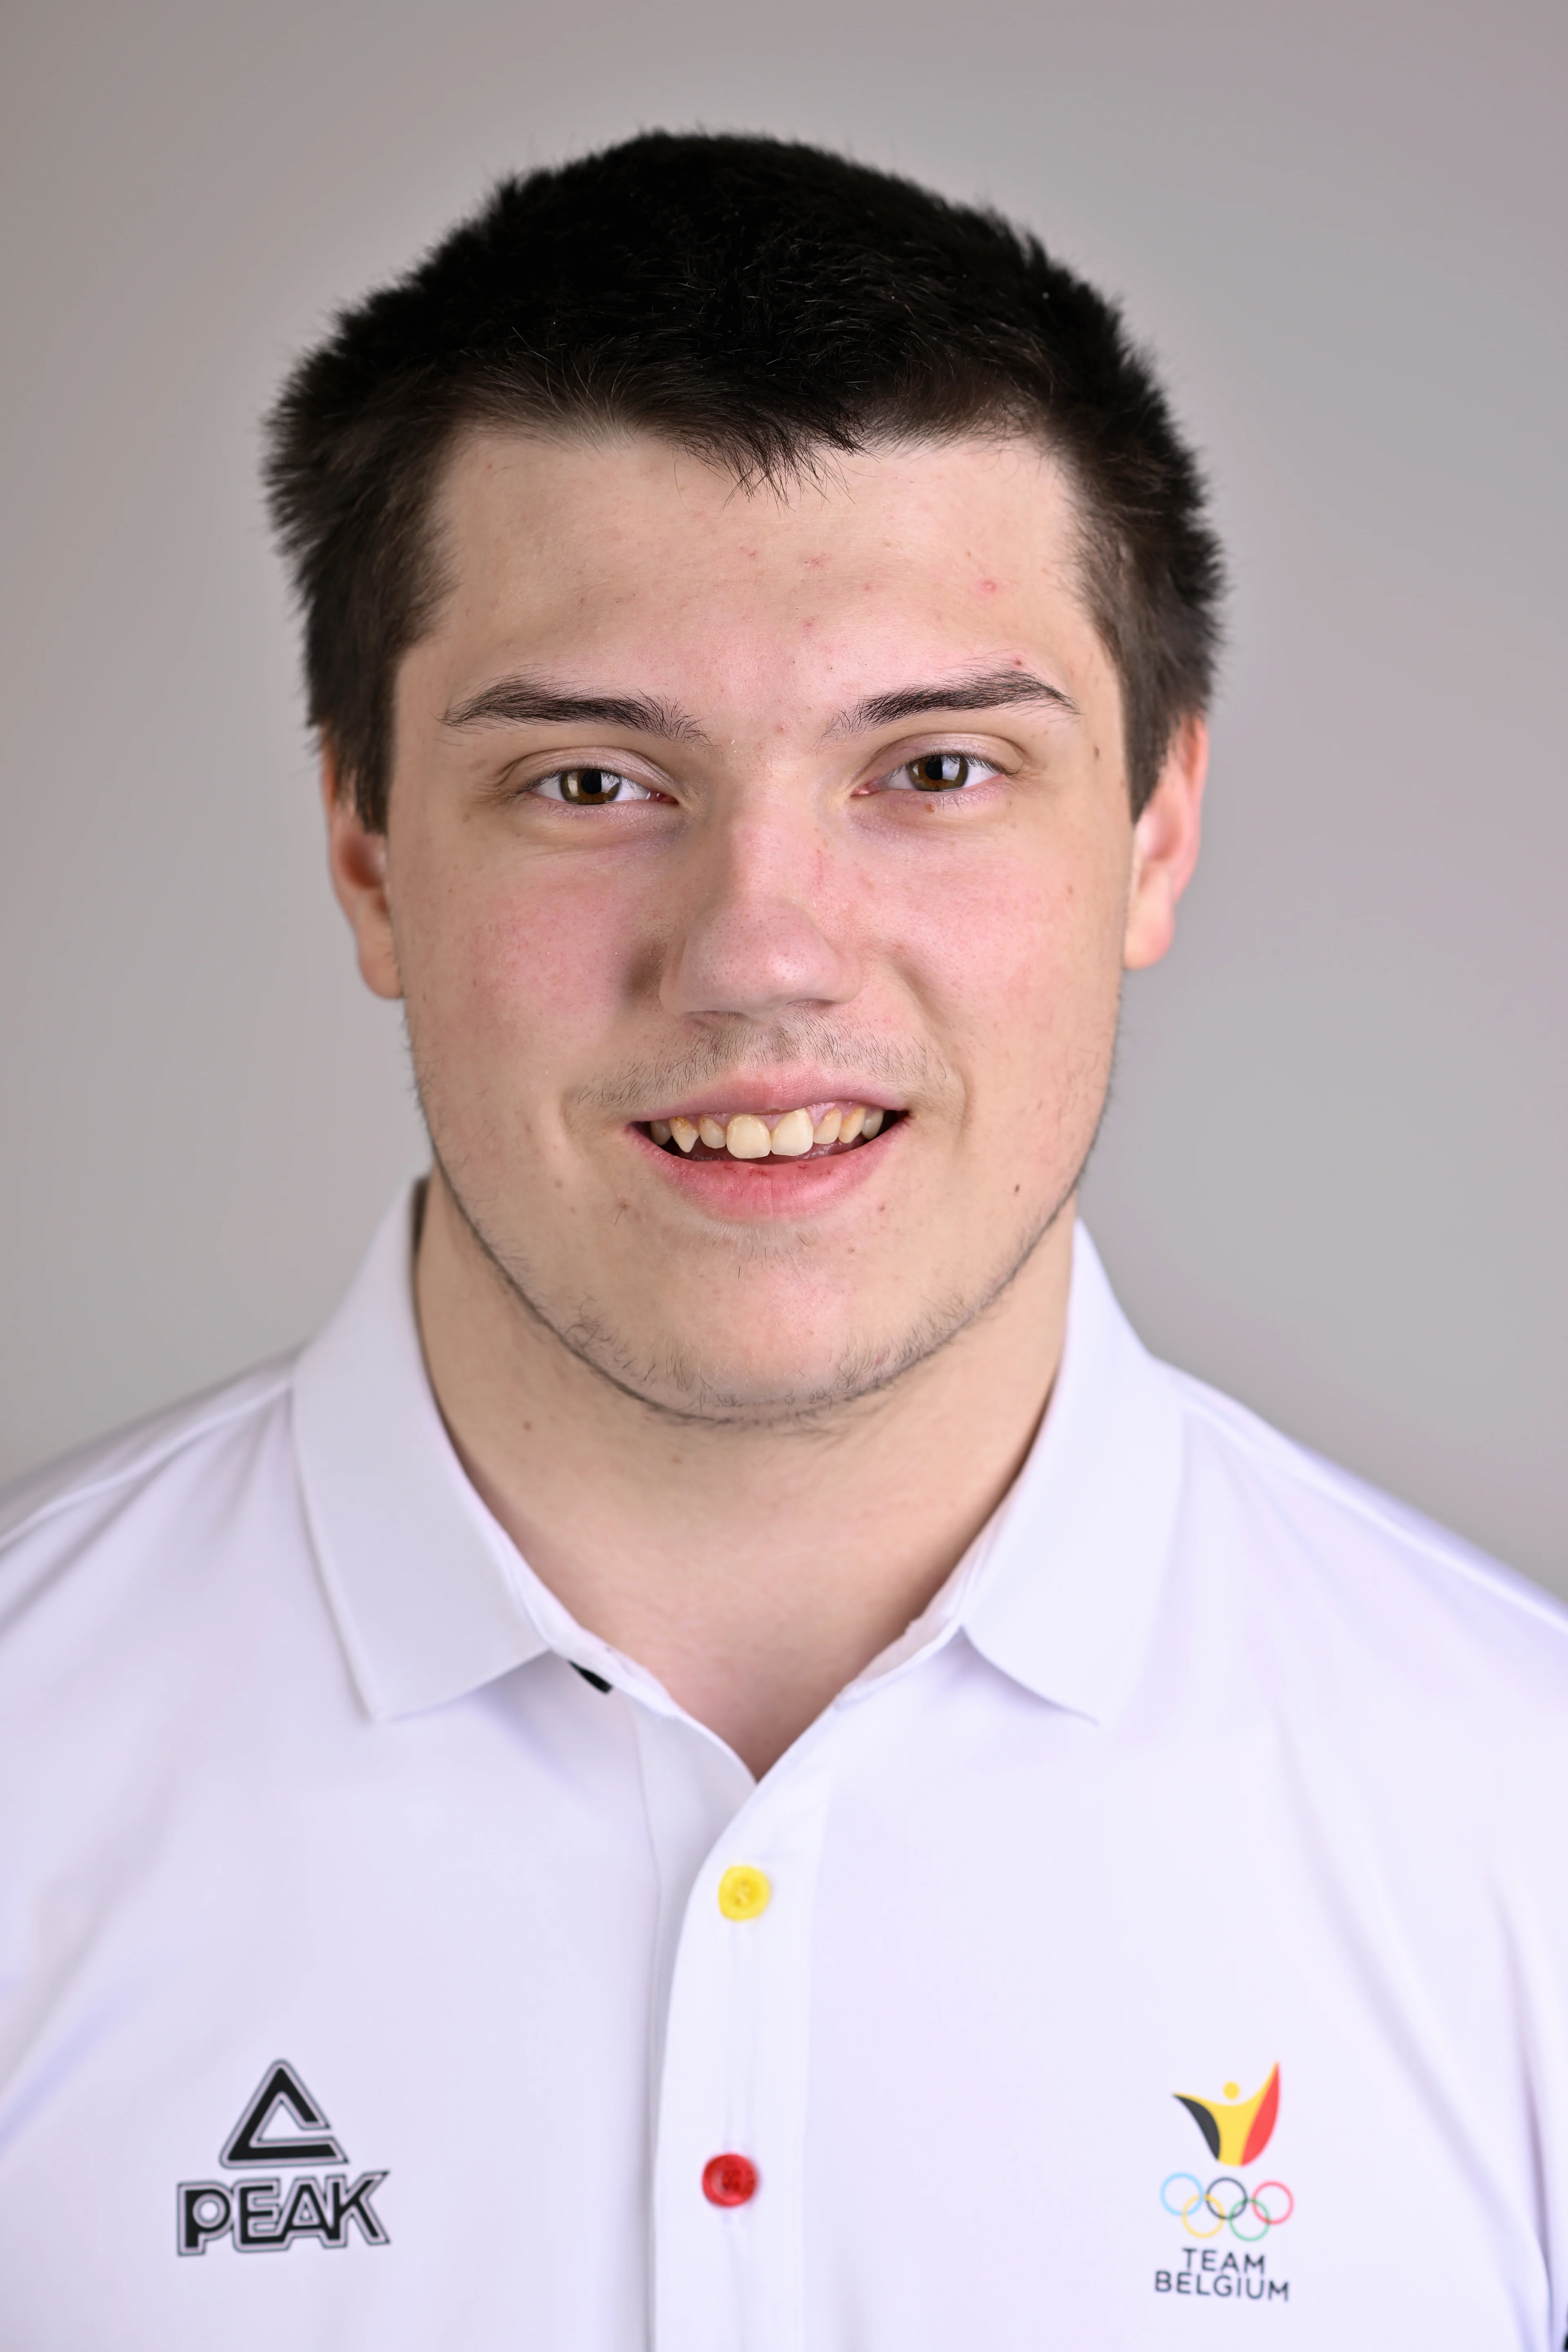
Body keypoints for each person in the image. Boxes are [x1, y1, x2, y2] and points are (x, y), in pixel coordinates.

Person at [0, 131, 1563, 2352]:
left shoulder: (1529, 1838)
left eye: (932, 771)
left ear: (1157, 827)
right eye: (590, 783)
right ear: (363, 849)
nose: (759, 954)